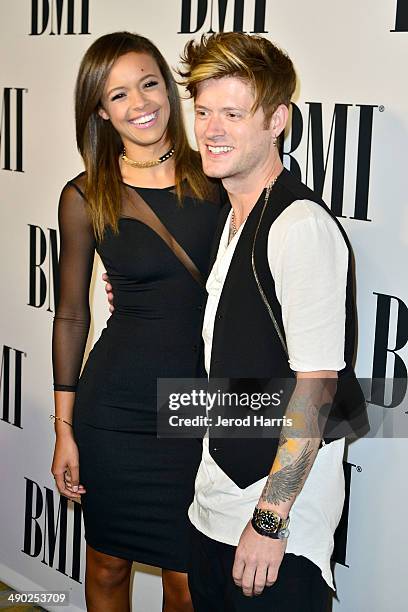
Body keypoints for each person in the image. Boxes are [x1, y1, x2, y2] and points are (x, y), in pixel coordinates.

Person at [176, 32, 365, 611]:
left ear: (277, 119)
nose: (211, 130)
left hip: (274, 529)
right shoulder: (230, 217)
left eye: (233, 114)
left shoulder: (297, 225)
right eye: (204, 111)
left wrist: (271, 519)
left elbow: (318, 386)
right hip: (216, 505)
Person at [50, 31, 222, 612]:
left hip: (197, 404)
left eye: (149, 84)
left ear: (168, 90)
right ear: (100, 108)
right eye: (117, 94)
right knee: (104, 567)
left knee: (186, 579)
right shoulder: (85, 195)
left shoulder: (220, 179)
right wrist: (64, 429)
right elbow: (72, 315)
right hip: (113, 405)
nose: (139, 103)